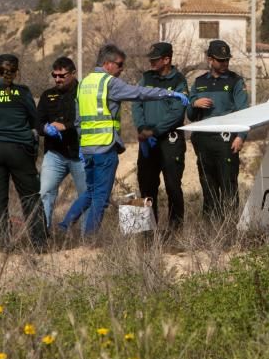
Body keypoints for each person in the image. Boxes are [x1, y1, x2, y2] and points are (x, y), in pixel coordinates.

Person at [59, 43, 190, 236]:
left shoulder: (84, 83)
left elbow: (78, 120)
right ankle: (90, 239)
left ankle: (64, 225)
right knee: (101, 198)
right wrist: (170, 93)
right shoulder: (108, 82)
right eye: (120, 65)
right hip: (104, 147)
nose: (121, 69)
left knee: (91, 191)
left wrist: (81, 143)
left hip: (87, 148)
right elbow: (140, 94)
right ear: (108, 63)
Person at [0, 54, 45, 250]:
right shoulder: (23, 93)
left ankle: (3, 244)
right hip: (19, 151)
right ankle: (39, 243)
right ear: (17, 73)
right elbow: (35, 120)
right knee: (30, 197)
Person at [188, 39, 248, 220]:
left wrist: (241, 137)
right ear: (210, 60)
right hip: (204, 141)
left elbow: (244, 111)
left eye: (227, 60)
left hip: (227, 141)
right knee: (208, 186)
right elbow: (190, 115)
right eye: (220, 60)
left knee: (228, 185)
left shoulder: (235, 81)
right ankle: (210, 228)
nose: (225, 63)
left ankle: (230, 226)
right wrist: (194, 103)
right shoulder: (199, 82)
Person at [133, 42, 188, 233]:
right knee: (145, 185)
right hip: (147, 141)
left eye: (155, 59)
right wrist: (141, 128)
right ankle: (144, 232)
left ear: (167, 59)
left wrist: (155, 131)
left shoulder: (179, 81)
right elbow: (137, 103)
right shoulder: (146, 78)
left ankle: (175, 231)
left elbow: (177, 111)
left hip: (170, 141)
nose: (151, 62)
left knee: (173, 186)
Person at [37, 56, 86, 229]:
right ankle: (42, 235)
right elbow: (37, 121)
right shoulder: (47, 95)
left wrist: (65, 126)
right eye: (54, 75)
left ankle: (87, 239)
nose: (57, 79)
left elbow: (86, 120)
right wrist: (45, 128)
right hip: (55, 154)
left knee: (86, 195)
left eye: (61, 75)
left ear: (73, 74)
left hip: (80, 154)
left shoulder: (84, 92)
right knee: (45, 193)